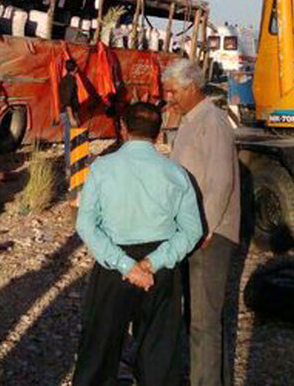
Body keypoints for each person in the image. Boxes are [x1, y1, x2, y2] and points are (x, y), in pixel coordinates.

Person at [72, 102, 202, 386]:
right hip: (161, 267)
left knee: (99, 350)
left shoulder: (102, 169)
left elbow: (86, 225)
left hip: (113, 265)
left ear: (123, 129)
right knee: (160, 353)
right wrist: (151, 263)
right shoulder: (176, 174)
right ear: (157, 135)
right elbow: (193, 230)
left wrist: (126, 266)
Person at [163, 58, 241, 386]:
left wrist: (205, 227)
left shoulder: (213, 121)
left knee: (204, 322)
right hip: (192, 231)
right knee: (196, 317)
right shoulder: (190, 120)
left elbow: (221, 180)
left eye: (173, 92)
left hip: (210, 234)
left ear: (192, 87)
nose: (169, 98)